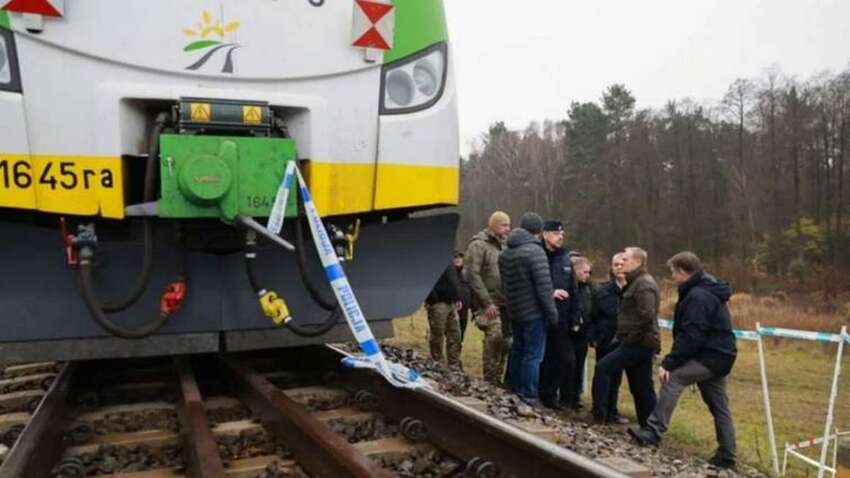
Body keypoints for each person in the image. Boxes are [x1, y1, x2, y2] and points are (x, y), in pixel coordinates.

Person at [628, 252, 737, 470]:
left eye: (672, 272)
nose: (672, 276)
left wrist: (670, 363)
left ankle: (653, 431)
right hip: (720, 354)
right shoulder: (707, 288)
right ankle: (727, 453)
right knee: (719, 406)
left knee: (673, 379)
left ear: (681, 271)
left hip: (710, 355)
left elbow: (692, 335)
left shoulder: (697, 296)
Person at [591, 246, 659, 426]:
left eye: (626, 260)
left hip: (638, 343)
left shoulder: (643, 284)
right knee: (641, 386)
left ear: (637, 262)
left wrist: (628, 339)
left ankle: (599, 416)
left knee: (604, 368)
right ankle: (649, 426)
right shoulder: (634, 282)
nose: (621, 263)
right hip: (636, 341)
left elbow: (646, 316)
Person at [499, 212, 557, 405]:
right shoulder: (535, 251)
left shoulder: (506, 252)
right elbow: (544, 287)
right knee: (533, 356)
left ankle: (514, 387)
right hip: (534, 312)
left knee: (518, 350)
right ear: (539, 231)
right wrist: (552, 313)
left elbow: (505, 285)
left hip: (515, 310)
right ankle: (530, 395)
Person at [464, 211, 511, 384]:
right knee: (494, 337)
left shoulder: (505, 246)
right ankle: (490, 380)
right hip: (487, 303)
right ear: (494, 225)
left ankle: (498, 379)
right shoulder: (478, 245)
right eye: (504, 225)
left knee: (507, 342)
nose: (508, 229)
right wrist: (486, 303)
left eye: (509, 225)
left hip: (505, 303)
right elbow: (471, 275)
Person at [538, 220, 580, 410]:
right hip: (540, 314)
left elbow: (574, 289)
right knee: (539, 356)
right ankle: (534, 392)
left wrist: (575, 315)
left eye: (562, 234)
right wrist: (550, 293)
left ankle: (550, 396)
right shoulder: (538, 255)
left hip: (561, 318)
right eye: (556, 234)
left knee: (557, 358)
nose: (560, 237)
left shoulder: (565, 258)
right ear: (545, 234)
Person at [588, 253, 629, 424]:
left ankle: (612, 411)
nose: (619, 267)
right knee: (602, 374)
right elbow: (593, 315)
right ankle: (599, 411)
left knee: (616, 377)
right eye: (616, 264)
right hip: (605, 339)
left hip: (625, 340)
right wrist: (593, 336)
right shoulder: (602, 290)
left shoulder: (635, 290)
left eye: (622, 264)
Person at [424, 260, 463, 368]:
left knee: (455, 335)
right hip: (438, 303)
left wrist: (457, 297)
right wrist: (433, 297)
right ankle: (437, 364)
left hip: (451, 303)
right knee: (437, 335)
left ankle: (454, 365)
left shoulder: (449, 259)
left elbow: (453, 280)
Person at [569, 256, 592, 410]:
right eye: (585, 272)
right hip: (569, 333)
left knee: (579, 365)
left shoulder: (588, 288)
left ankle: (576, 395)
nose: (588, 275)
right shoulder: (570, 288)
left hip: (583, 334)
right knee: (569, 364)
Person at [454, 251, 472, 342]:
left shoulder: (467, 274)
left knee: (461, 335)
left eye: (460, 257)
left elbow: (472, 290)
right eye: (455, 257)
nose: (458, 259)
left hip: (464, 311)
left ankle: (457, 354)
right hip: (451, 309)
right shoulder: (449, 273)